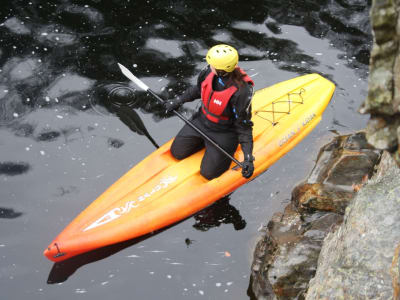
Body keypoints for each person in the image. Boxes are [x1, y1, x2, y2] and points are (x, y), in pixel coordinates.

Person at [165, 44, 255, 180]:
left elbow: (244, 126)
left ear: (220, 70)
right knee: (177, 152)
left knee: (208, 174)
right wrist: (177, 101)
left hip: (224, 133)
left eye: (212, 63)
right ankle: (204, 143)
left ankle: (217, 150)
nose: (209, 65)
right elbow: (198, 89)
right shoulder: (208, 72)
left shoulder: (242, 91)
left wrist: (248, 158)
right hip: (201, 122)